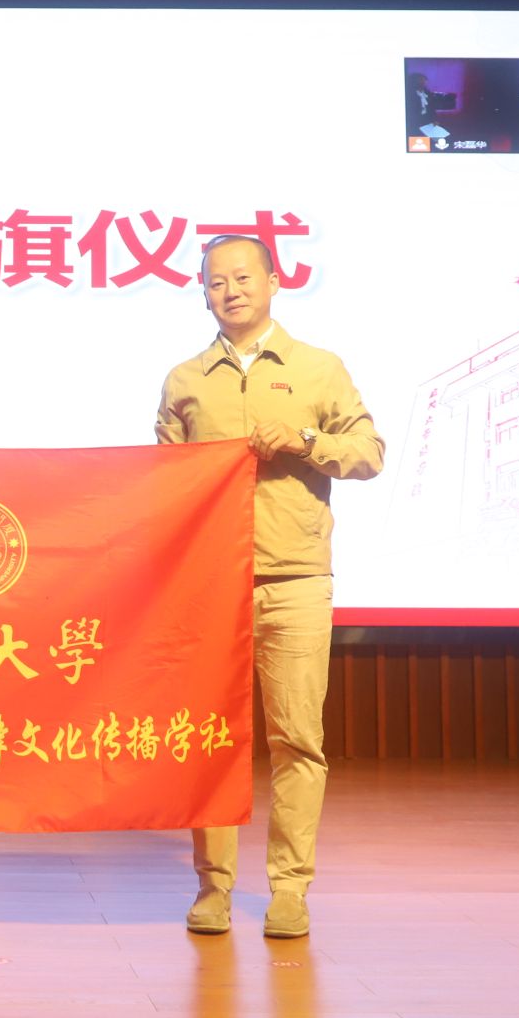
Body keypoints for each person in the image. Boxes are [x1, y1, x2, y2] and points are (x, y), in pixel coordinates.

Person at [154, 233, 384, 939]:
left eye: (243, 277)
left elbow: (369, 453)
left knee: (297, 742)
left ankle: (289, 889)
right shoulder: (185, 380)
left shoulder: (319, 368)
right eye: (216, 281)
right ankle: (213, 888)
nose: (230, 291)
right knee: (210, 744)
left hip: (296, 582)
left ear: (274, 281)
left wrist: (307, 442)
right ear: (203, 293)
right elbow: (161, 485)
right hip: (211, 589)